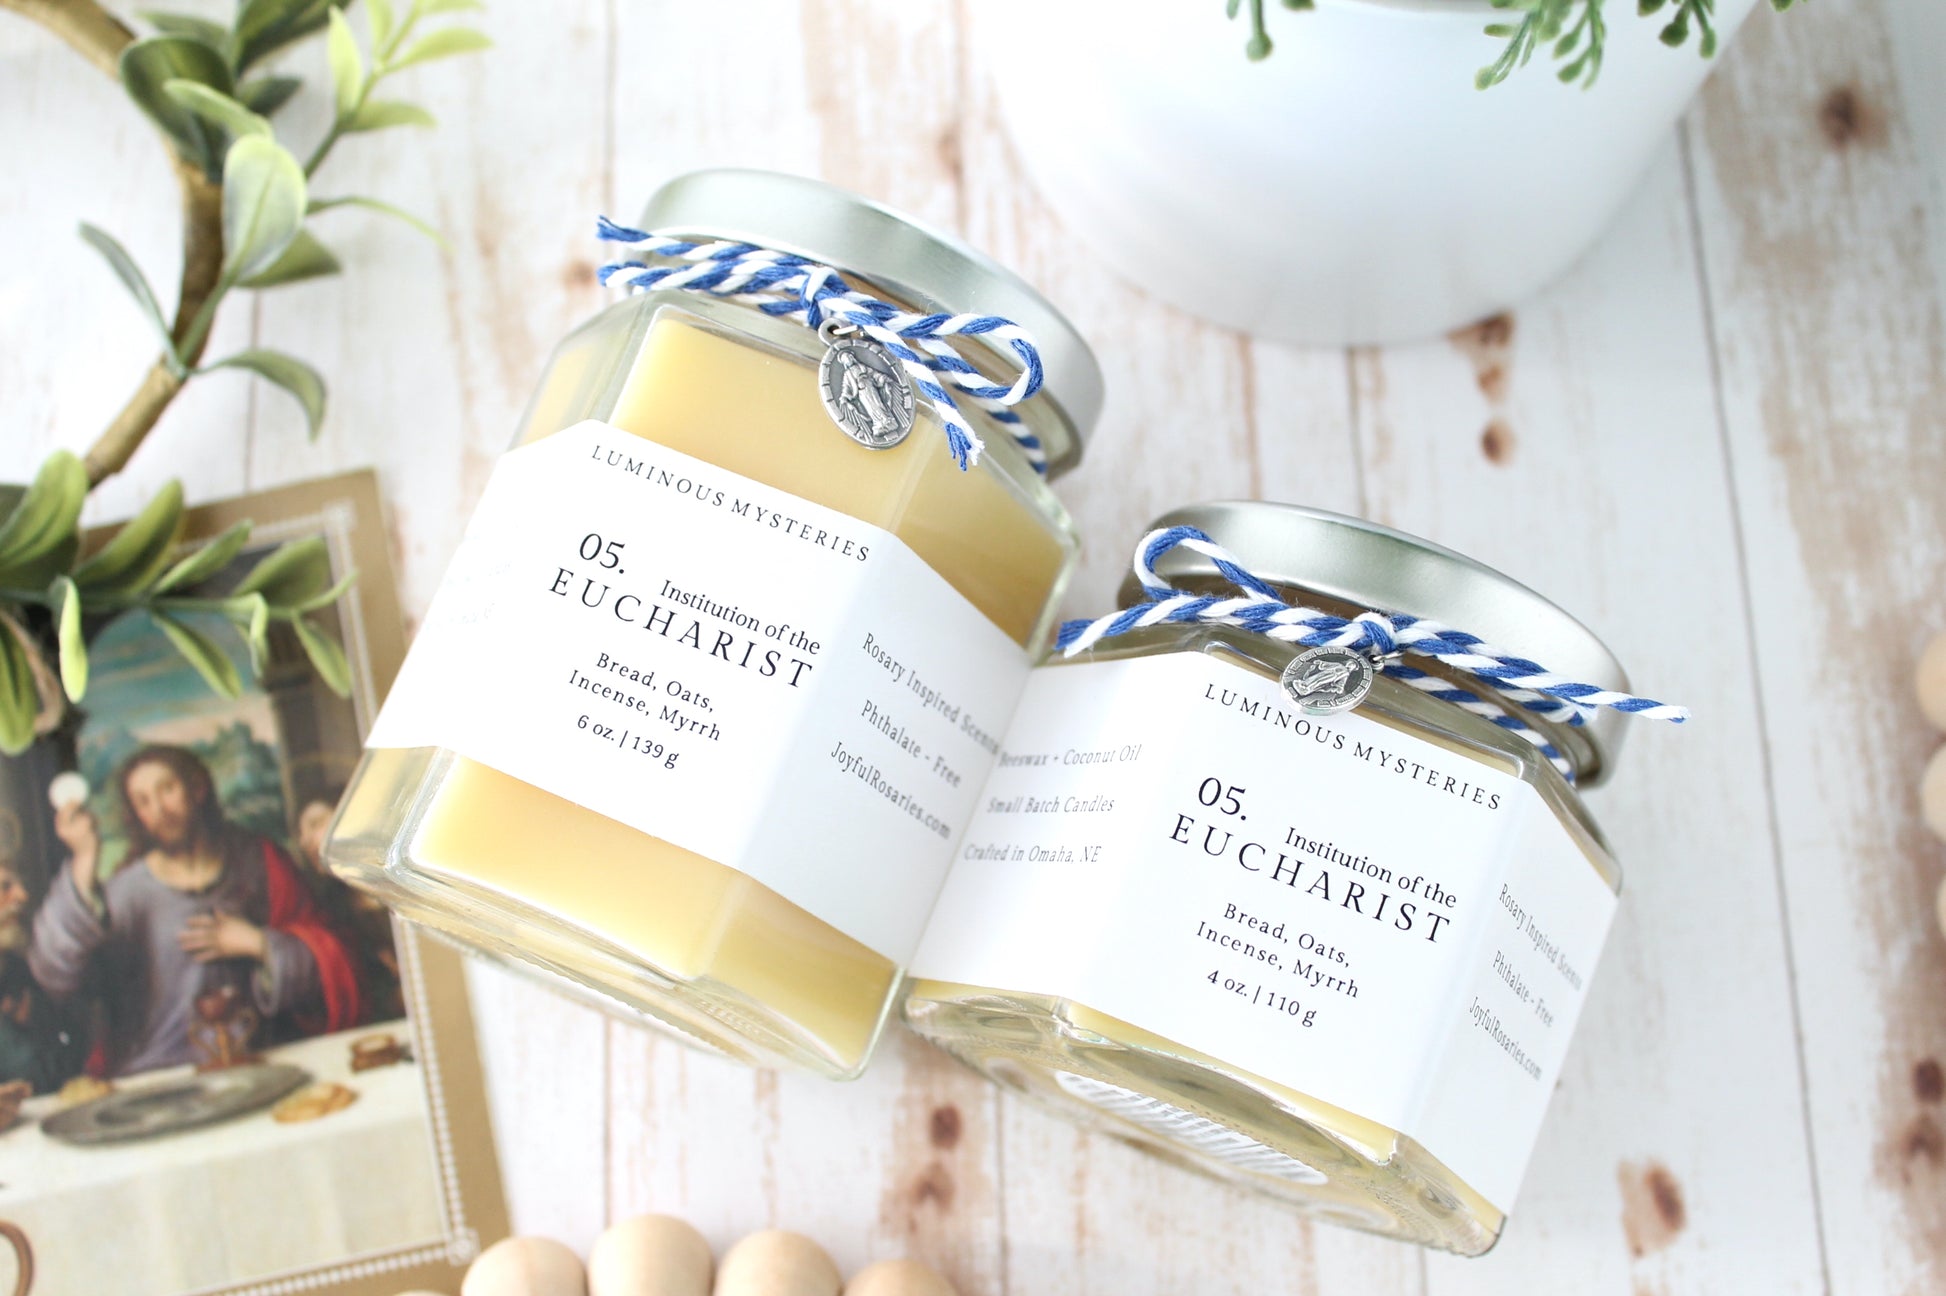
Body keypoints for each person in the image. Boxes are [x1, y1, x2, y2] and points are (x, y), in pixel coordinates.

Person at [28, 746, 363, 1077]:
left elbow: (331, 958)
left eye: (167, 789)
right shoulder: (126, 893)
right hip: (158, 1075)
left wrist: (259, 944)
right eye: (143, 801)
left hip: (262, 1064)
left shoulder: (259, 863)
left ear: (197, 788)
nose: (159, 809)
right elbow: (54, 974)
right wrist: (85, 859)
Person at [0, 858, 83, 1093]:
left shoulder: (20, 971)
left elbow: (67, 1066)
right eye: (6, 887)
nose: (22, 896)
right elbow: (26, 1072)